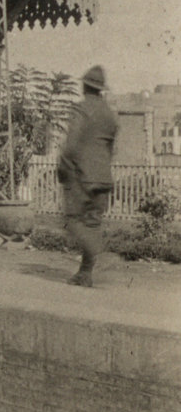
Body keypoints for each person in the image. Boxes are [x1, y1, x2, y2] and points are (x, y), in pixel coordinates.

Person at [58, 65, 118, 287]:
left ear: (84, 86)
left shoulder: (81, 109)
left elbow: (71, 145)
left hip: (82, 176)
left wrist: (64, 168)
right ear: (101, 89)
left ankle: (98, 251)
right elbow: (111, 149)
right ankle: (85, 274)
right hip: (103, 177)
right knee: (92, 223)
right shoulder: (110, 115)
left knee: (72, 220)